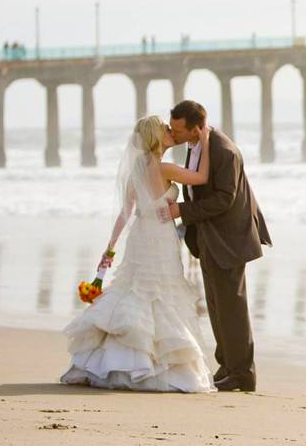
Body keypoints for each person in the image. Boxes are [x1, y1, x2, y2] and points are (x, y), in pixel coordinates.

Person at [60, 116, 215, 392]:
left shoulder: (136, 169)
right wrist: (203, 142)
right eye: (165, 130)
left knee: (134, 289)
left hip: (139, 236)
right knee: (160, 294)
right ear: (157, 137)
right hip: (161, 237)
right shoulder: (165, 168)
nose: (170, 132)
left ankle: (115, 361)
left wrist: (110, 247)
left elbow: (125, 213)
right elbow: (202, 177)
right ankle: (153, 366)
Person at [166, 100, 271, 392]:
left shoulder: (223, 151)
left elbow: (225, 198)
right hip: (211, 239)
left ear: (196, 128)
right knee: (216, 306)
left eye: (178, 130)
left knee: (232, 308)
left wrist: (182, 211)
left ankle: (243, 375)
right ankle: (227, 367)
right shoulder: (197, 145)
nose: (173, 134)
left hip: (230, 239)